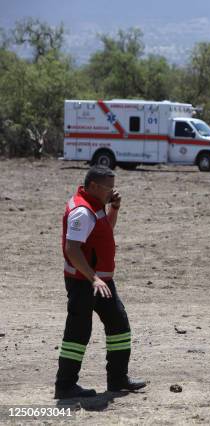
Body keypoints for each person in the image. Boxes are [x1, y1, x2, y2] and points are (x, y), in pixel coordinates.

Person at [54, 165, 146, 399]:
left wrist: (114, 208)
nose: (112, 192)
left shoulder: (96, 207)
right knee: (78, 332)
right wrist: (93, 278)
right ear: (94, 186)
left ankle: (117, 380)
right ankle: (65, 386)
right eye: (109, 188)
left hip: (100, 281)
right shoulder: (82, 212)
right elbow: (72, 250)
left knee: (119, 325)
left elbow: (105, 230)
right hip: (84, 282)